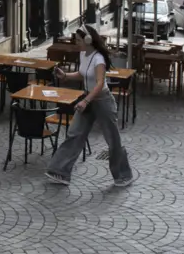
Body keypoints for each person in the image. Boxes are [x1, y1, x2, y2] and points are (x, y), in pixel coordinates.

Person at [45, 25, 136, 188]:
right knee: (75, 133)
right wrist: (66, 75)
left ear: (88, 40)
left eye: (79, 40)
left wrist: (85, 101)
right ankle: (60, 171)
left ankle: (123, 175)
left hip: (102, 101)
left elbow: (100, 83)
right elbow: (82, 74)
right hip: (88, 97)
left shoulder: (98, 58)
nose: (77, 43)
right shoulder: (83, 54)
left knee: (112, 139)